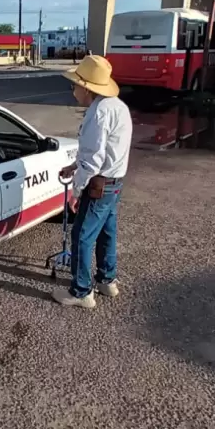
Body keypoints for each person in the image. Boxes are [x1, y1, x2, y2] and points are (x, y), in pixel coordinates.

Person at [53, 55, 133, 309]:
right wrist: (74, 165)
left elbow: (94, 160)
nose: (73, 90)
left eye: (75, 84)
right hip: (115, 181)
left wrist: (76, 190)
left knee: (82, 235)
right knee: (107, 231)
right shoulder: (116, 106)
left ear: (86, 87)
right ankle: (107, 280)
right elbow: (101, 151)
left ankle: (81, 292)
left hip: (99, 184)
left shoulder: (97, 114)